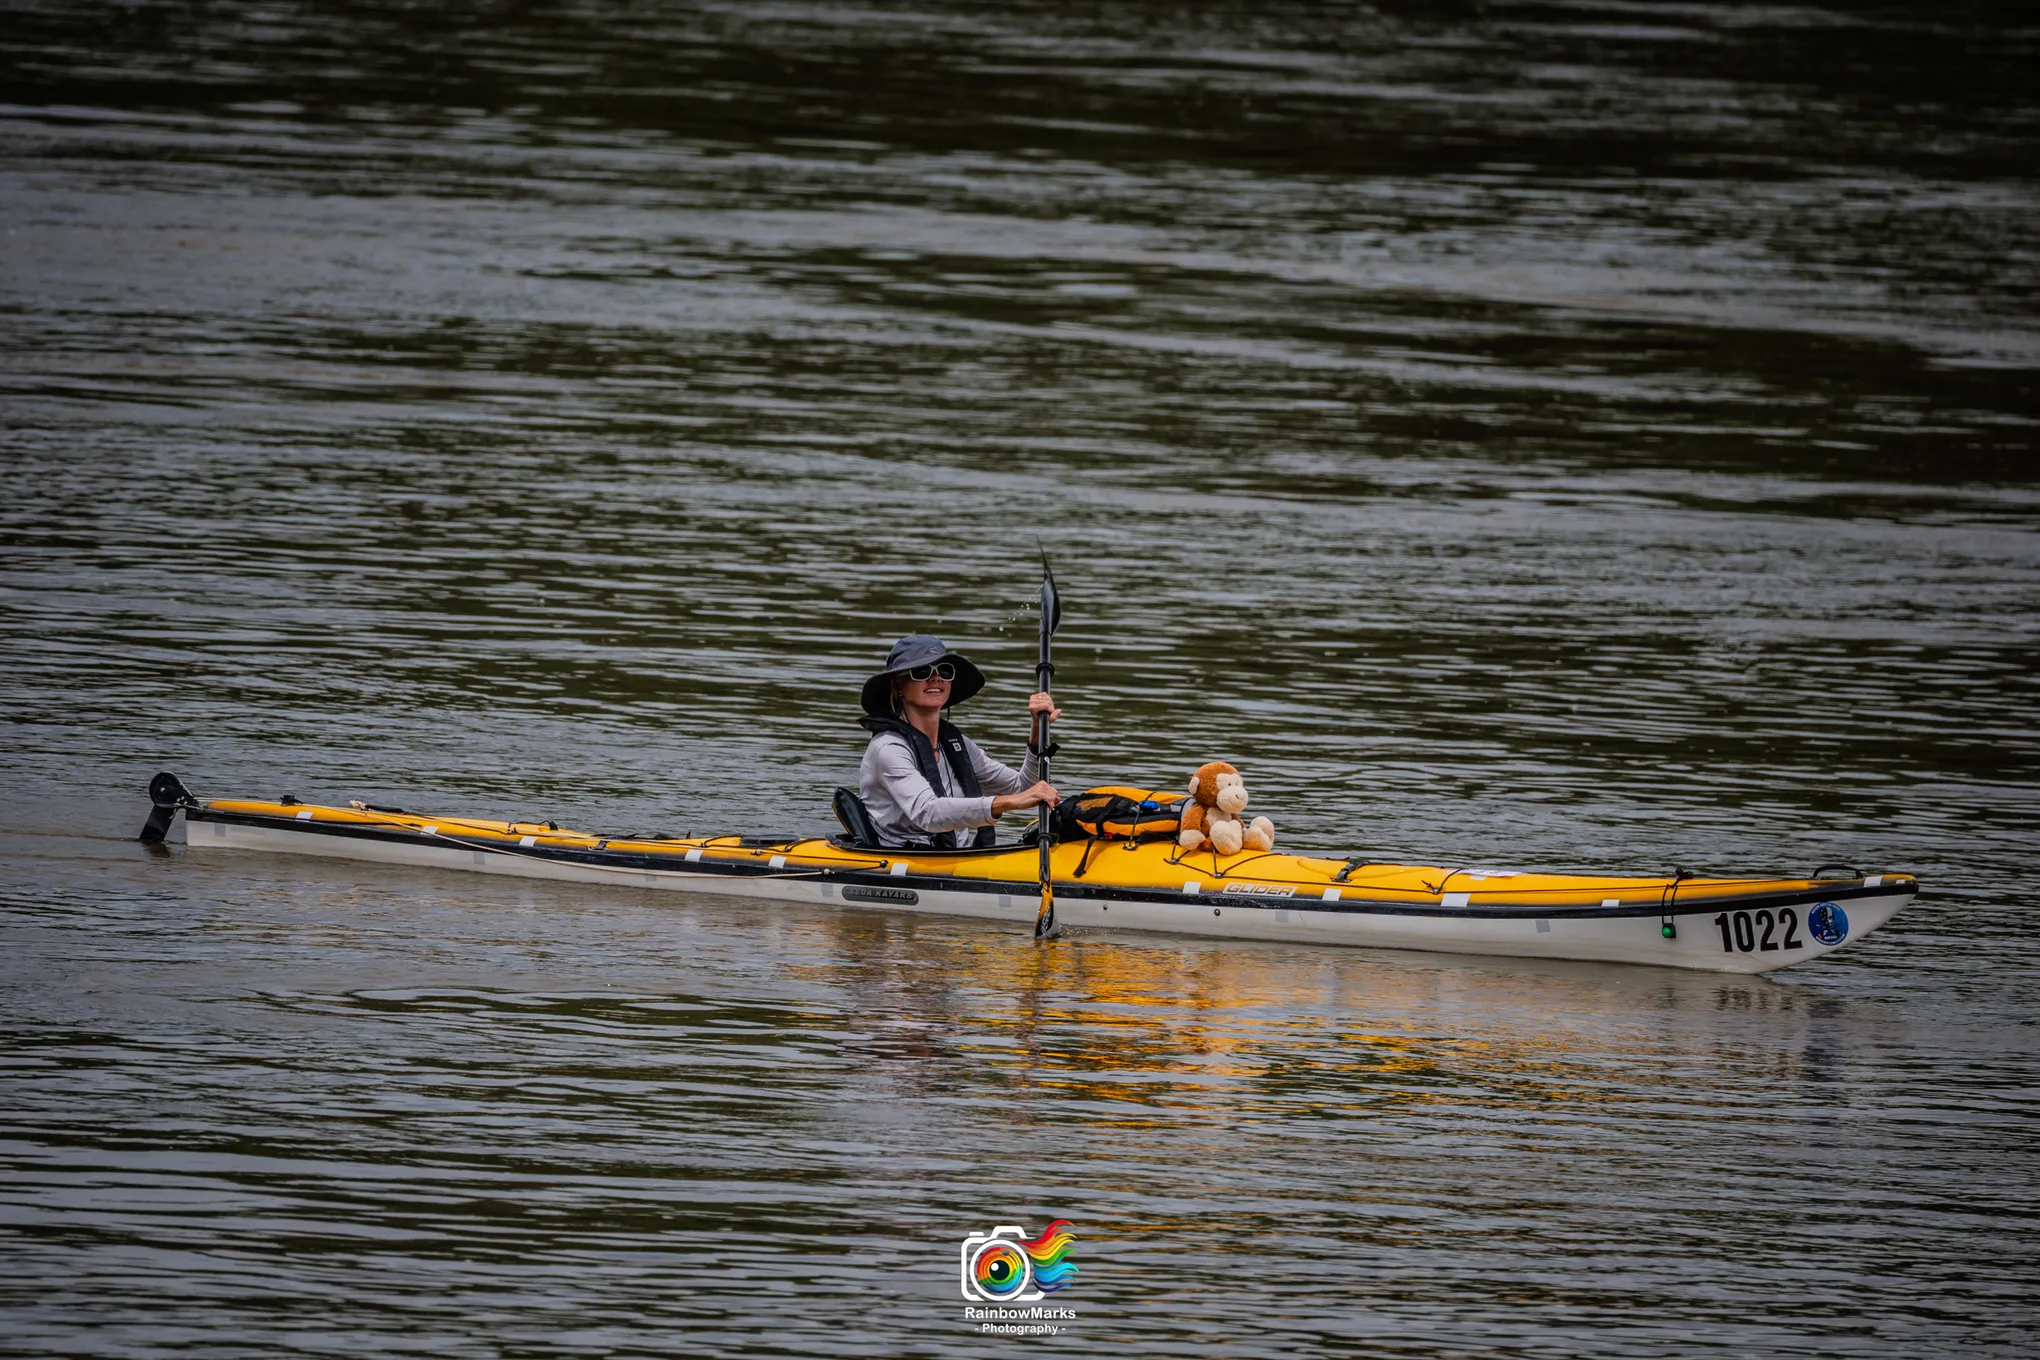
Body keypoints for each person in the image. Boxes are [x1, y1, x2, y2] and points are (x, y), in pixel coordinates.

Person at [857, 634, 1060, 849]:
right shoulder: (888, 749)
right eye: (922, 672)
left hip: (955, 859)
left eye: (944, 671)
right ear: (898, 687)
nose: (936, 678)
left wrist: (1037, 730)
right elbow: (928, 813)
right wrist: (1006, 803)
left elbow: (1023, 787)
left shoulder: (955, 744)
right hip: (905, 864)